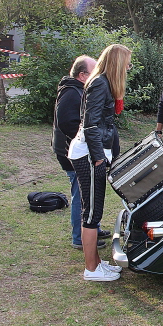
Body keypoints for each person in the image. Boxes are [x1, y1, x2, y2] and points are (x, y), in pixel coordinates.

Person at [68, 43, 131, 282]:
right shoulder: (100, 84)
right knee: (92, 212)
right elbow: (91, 124)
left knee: (94, 210)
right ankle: (91, 269)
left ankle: (95, 263)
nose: (128, 67)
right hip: (89, 154)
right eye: (126, 62)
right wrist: (98, 157)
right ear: (116, 62)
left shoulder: (103, 84)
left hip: (93, 152)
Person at [52, 55, 111, 250]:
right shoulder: (71, 92)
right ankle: (79, 237)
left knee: (88, 194)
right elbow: (67, 123)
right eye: (93, 72)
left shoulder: (79, 90)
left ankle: (93, 228)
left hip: (76, 150)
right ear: (82, 74)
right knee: (81, 194)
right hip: (73, 153)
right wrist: (83, 143)